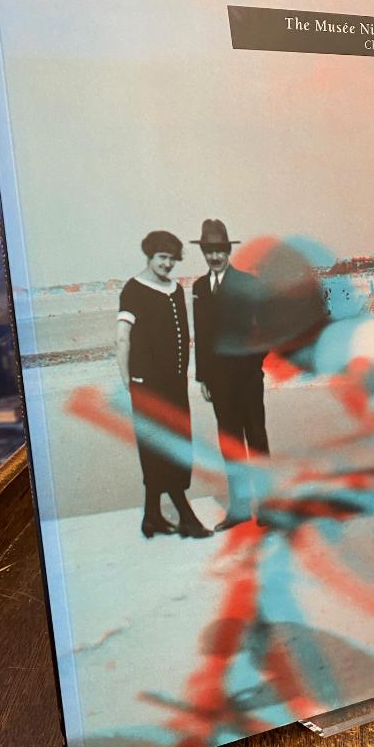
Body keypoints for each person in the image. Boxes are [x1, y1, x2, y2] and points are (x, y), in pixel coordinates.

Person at [117, 230, 211, 539]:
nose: (167, 264)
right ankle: (186, 516)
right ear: (150, 256)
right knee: (160, 448)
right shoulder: (133, 289)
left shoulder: (175, 290)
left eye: (172, 258)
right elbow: (122, 338)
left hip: (174, 385)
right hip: (147, 385)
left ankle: (152, 517)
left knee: (176, 444)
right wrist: (128, 379)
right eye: (162, 257)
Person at [191, 219, 269, 531]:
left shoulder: (247, 284)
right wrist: (203, 377)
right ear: (203, 253)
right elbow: (201, 335)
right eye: (208, 251)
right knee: (230, 443)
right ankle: (239, 508)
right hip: (219, 383)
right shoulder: (199, 288)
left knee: (256, 440)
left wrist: (253, 363)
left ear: (228, 250)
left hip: (248, 379)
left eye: (219, 250)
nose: (214, 256)